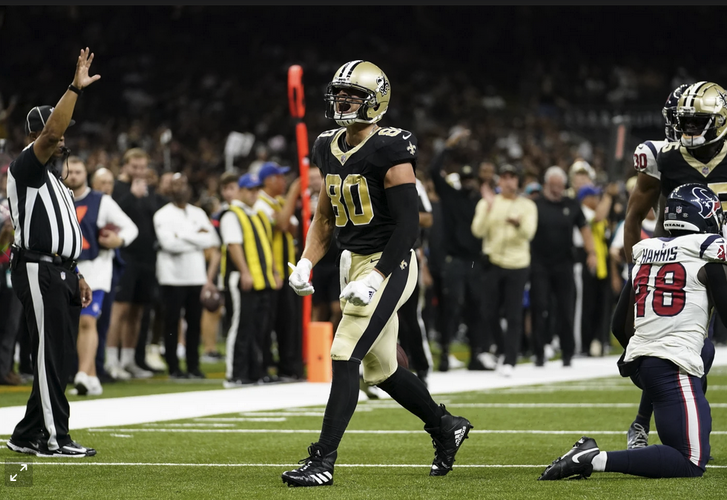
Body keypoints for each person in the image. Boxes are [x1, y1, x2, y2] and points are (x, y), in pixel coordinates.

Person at [284, 60, 472, 487]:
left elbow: (408, 225)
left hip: (390, 261)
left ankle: (322, 460)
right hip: (353, 261)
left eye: (353, 95)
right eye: (340, 94)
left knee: (344, 352)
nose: (343, 101)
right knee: (382, 369)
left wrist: (377, 275)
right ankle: (446, 426)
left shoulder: (391, 147)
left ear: (376, 101)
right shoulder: (326, 145)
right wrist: (307, 261)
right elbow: (325, 218)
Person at [539, 183, 724, 480]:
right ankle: (593, 459)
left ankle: (643, 422)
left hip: (643, 364)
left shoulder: (646, 251)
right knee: (690, 461)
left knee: (706, 350)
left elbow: (617, 325)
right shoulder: (707, 252)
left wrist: (647, 349)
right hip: (671, 366)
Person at [5, 47, 98, 458]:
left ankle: (27, 434)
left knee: (57, 355)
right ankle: (55, 438)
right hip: (36, 270)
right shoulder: (26, 167)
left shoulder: (59, 182)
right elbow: (50, 134)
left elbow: (64, 234)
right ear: (38, 135)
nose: (63, 137)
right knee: (48, 354)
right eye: (56, 131)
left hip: (59, 271)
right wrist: (74, 87)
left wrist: (75, 272)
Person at [622, 82, 723, 449]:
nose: (688, 130)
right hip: (682, 270)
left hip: (721, 265)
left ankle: (668, 422)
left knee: (698, 352)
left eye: (697, 122)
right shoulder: (662, 156)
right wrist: (637, 271)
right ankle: (643, 424)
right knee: (688, 349)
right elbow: (633, 219)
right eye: (684, 122)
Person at [63, 157, 138, 395]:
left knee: (88, 320)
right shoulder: (59, 199)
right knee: (73, 324)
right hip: (67, 268)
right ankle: (92, 376)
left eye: (78, 171)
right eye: (70, 172)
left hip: (97, 268)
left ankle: (83, 374)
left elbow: (130, 228)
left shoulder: (101, 201)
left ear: (86, 174)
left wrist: (119, 240)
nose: (74, 175)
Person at [428, 128, 487, 371]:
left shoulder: (481, 202)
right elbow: (433, 171)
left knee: (476, 307)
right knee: (450, 309)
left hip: (475, 261)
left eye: (470, 179)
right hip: (455, 260)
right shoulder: (451, 197)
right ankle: (444, 355)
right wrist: (448, 147)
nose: (467, 183)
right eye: (464, 180)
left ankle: (475, 355)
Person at [471, 163, 537, 376]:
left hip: (517, 264)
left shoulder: (527, 205)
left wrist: (518, 224)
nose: (509, 181)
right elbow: (477, 231)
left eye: (513, 177)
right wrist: (488, 208)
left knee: (514, 313)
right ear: (499, 181)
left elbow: (529, 233)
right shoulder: (488, 202)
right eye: (505, 177)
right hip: (493, 262)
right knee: (488, 311)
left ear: (518, 182)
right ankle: (500, 348)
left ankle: (510, 357)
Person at [106, 148, 165, 380]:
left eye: (143, 167)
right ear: (125, 166)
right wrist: (132, 195)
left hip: (146, 259)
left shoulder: (148, 191)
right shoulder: (118, 189)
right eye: (135, 167)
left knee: (138, 311)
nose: (140, 171)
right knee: (120, 309)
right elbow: (113, 215)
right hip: (125, 257)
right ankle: (111, 361)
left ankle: (129, 360)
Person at [529, 166, 597, 367]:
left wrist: (591, 252)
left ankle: (568, 352)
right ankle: (539, 352)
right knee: (540, 307)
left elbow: (584, 228)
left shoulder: (572, 204)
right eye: (554, 185)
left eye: (560, 185)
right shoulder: (535, 205)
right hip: (539, 263)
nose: (557, 189)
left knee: (566, 309)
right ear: (546, 185)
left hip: (564, 263)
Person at [154, 173, 219, 379]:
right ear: (169, 189)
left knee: (194, 322)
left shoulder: (198, 212)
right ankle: (174, 367)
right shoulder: (162, 214)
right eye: (175, 185)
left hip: (196, 275)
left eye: (183, 184)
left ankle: (193, 365)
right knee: (172, 322)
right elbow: (168, 244)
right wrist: (194, 235)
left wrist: (180, 234)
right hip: (171, 277)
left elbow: (209, 240)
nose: (180, 188)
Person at [219, 173, 277, 386]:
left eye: (256, 190)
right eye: (250, 190)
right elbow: (233, 245)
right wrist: (244, 271)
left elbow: (266, 246)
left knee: (258, 327)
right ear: (241, 191)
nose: (254, 194)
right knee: (241, 326)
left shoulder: (256, 214)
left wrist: (274, 271)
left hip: (261, 279)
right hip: (241, 277)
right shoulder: (231, 214)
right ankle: (235, 373)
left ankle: (254, 371)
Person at [254, 161, 303, 380]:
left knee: (287, 321)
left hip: (287, 270)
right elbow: (284, 225)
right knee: (268, 322)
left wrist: (285, 207)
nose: (285, 181)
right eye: (281, 177)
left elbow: (293, 228)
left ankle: (287, 367)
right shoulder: (261, 204)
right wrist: (294, 193)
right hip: (270, 270)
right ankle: (264, 366)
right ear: (270, 181)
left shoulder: (279, 202)